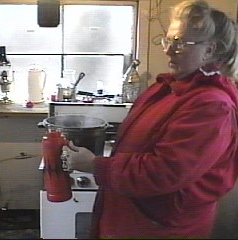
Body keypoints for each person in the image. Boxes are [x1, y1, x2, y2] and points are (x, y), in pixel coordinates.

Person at [62, 0, 238, 238]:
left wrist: (94, 165)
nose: (168, 49)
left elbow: (162, 172)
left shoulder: (212, 106)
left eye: (180, 42)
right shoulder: (169, 88)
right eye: (168, 40)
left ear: (210, 50)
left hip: (159, 226)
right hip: (133, 215)